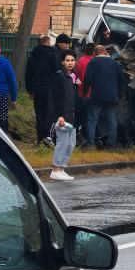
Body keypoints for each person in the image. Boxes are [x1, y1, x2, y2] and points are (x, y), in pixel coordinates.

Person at [84, 45, 126, 147]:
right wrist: (119, 95)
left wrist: (85, 94)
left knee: (92, 119)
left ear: (95, 53)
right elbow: (121, 80)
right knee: (111, 120)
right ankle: (111, 144)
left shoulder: (93, 63)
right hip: (112, 96)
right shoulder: (115, 63)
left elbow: (87, 79)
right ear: (105, 52)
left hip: (97, 96)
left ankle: (90, 144)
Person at [49, 52, 80, 181]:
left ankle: (61, 168)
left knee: (70, 144)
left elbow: (72, 98)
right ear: (63, 62)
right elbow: (56, 98)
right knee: (62, 143)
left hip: (72, 115)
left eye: (72, 60)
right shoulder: (59, 77)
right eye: (67, 60)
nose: (70, 63)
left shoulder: (72, 77)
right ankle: (56, 169)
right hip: (63, 116)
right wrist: (59, 116)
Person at [25, 35, 59, 144]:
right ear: (48, 42)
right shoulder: (53, 55)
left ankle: (40, 137)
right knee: (48, 113)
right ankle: (47, 137)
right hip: (49, 88)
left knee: (39, 113)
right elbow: (56, 72)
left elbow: (28, 75)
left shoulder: (33, 56)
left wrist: (30, 90)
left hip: (37, 89)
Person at [0, 42, 18, 132]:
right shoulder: (5, 63)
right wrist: (13, 98)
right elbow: (12, 81)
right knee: (2, 118)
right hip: (2, 95)